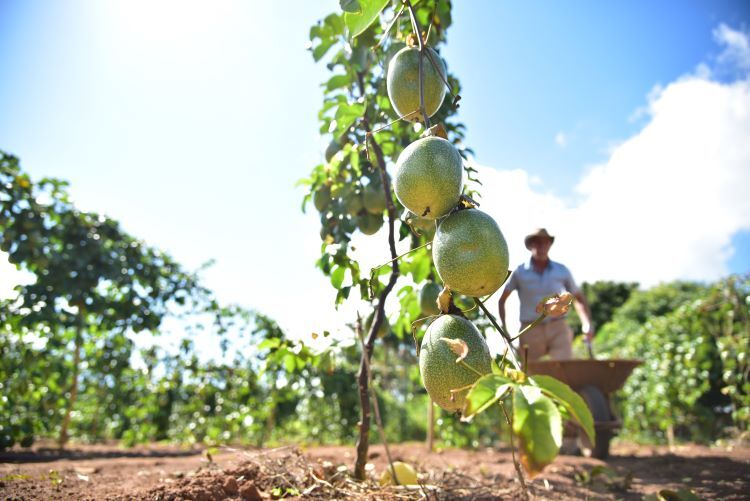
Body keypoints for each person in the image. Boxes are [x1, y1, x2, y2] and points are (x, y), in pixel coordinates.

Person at [497, 228, 594, 361]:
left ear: (549, 244)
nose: (541, 246)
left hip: (558, 327)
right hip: (530, 329)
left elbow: (578, 298)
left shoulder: (561, 270)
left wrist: (586, 323)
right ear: (530, 245)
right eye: (537, 242)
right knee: (530, 372)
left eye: (544, 242)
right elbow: (502, 300)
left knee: (564, 369)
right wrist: (505, 330)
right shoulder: (519, 272)